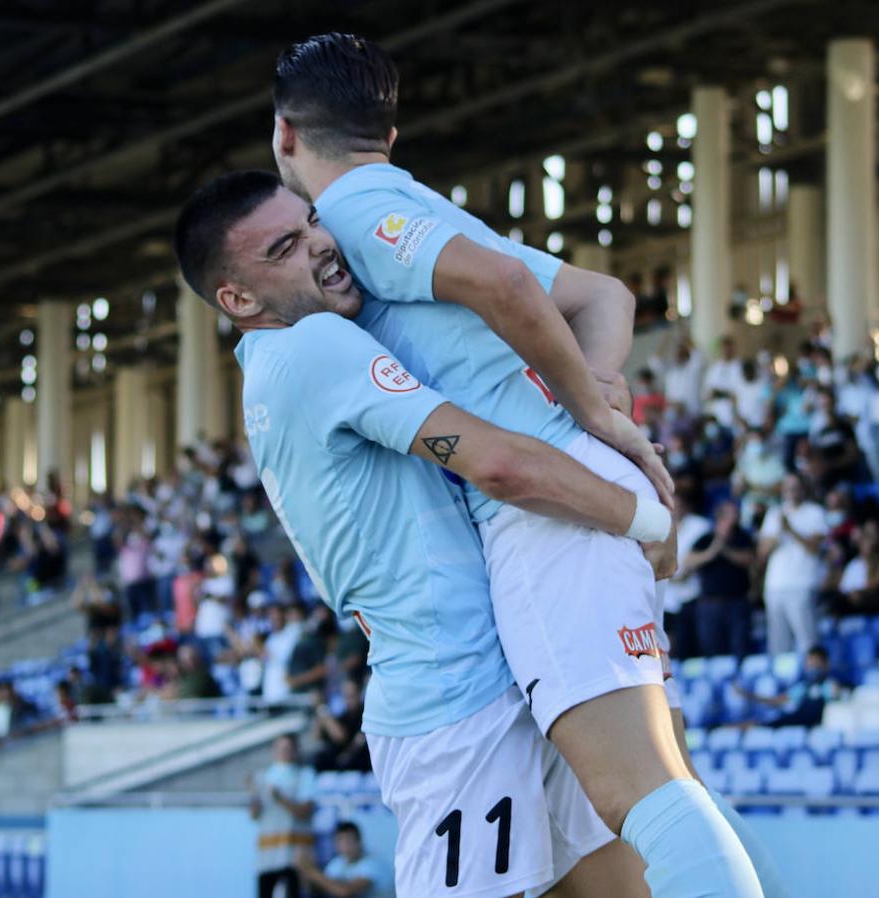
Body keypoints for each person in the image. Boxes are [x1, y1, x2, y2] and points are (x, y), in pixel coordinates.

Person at [269, 34, 774, 898]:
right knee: (616, 832)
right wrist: (600, 400)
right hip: (564, 498)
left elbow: (505, 288)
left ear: (285, 137)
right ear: (389, 131)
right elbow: (604, 296)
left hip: (551, 506)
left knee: (641, 791)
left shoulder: (353, 212)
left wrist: (585, 411)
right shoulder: (412, 202)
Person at [758, 473, 827, 654]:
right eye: (788, 486)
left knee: (807, 639)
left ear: (803, 488)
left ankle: (813, 676)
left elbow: (815, 548)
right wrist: (779, 532)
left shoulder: (815, 512)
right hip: (775, 585)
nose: (791, 490)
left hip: (802, 583)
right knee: (778, 643)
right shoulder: (774, 514)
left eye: (795, 486)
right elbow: (762, 552)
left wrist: (791, 529)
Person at [684, 500, 754, 659]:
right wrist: (711, 552)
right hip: (710, 603)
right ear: (719, 517)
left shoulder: (742, 536)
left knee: (740, 649)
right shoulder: (706, 538)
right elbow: (688, 561)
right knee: (712, 649)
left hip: (737, 601)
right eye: (731, 514)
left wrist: (726, 550)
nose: (735, 517)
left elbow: (750, 558)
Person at [250, 734, 317, 898]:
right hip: (268, 853)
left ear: (295, 751)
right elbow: (254, 815)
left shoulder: (305, 775)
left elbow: (305, 811)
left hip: (294, 853)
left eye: (288, 748)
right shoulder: (264, 776)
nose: (284, 752)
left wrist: (279, 797)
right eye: (280, 748)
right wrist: (253, 796)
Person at [735, 647, 838, 728]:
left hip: (817, 725)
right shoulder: (803, 687)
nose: (812, 668)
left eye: (816, 664)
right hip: (796, 721)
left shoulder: (830, 685)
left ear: (825, 664)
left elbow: (836, 704)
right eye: (809, 664)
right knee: (758, 725)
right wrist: (748, 695)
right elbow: (776, 701)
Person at [295, 821, 393, 898]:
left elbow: (344, 891)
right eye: (340, 841)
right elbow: (324, 886)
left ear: (359, 842)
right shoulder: (337, 863)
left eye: (349, 841)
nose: (345, 846)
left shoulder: (373, 864)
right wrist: (304, 872)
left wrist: (310, 870)